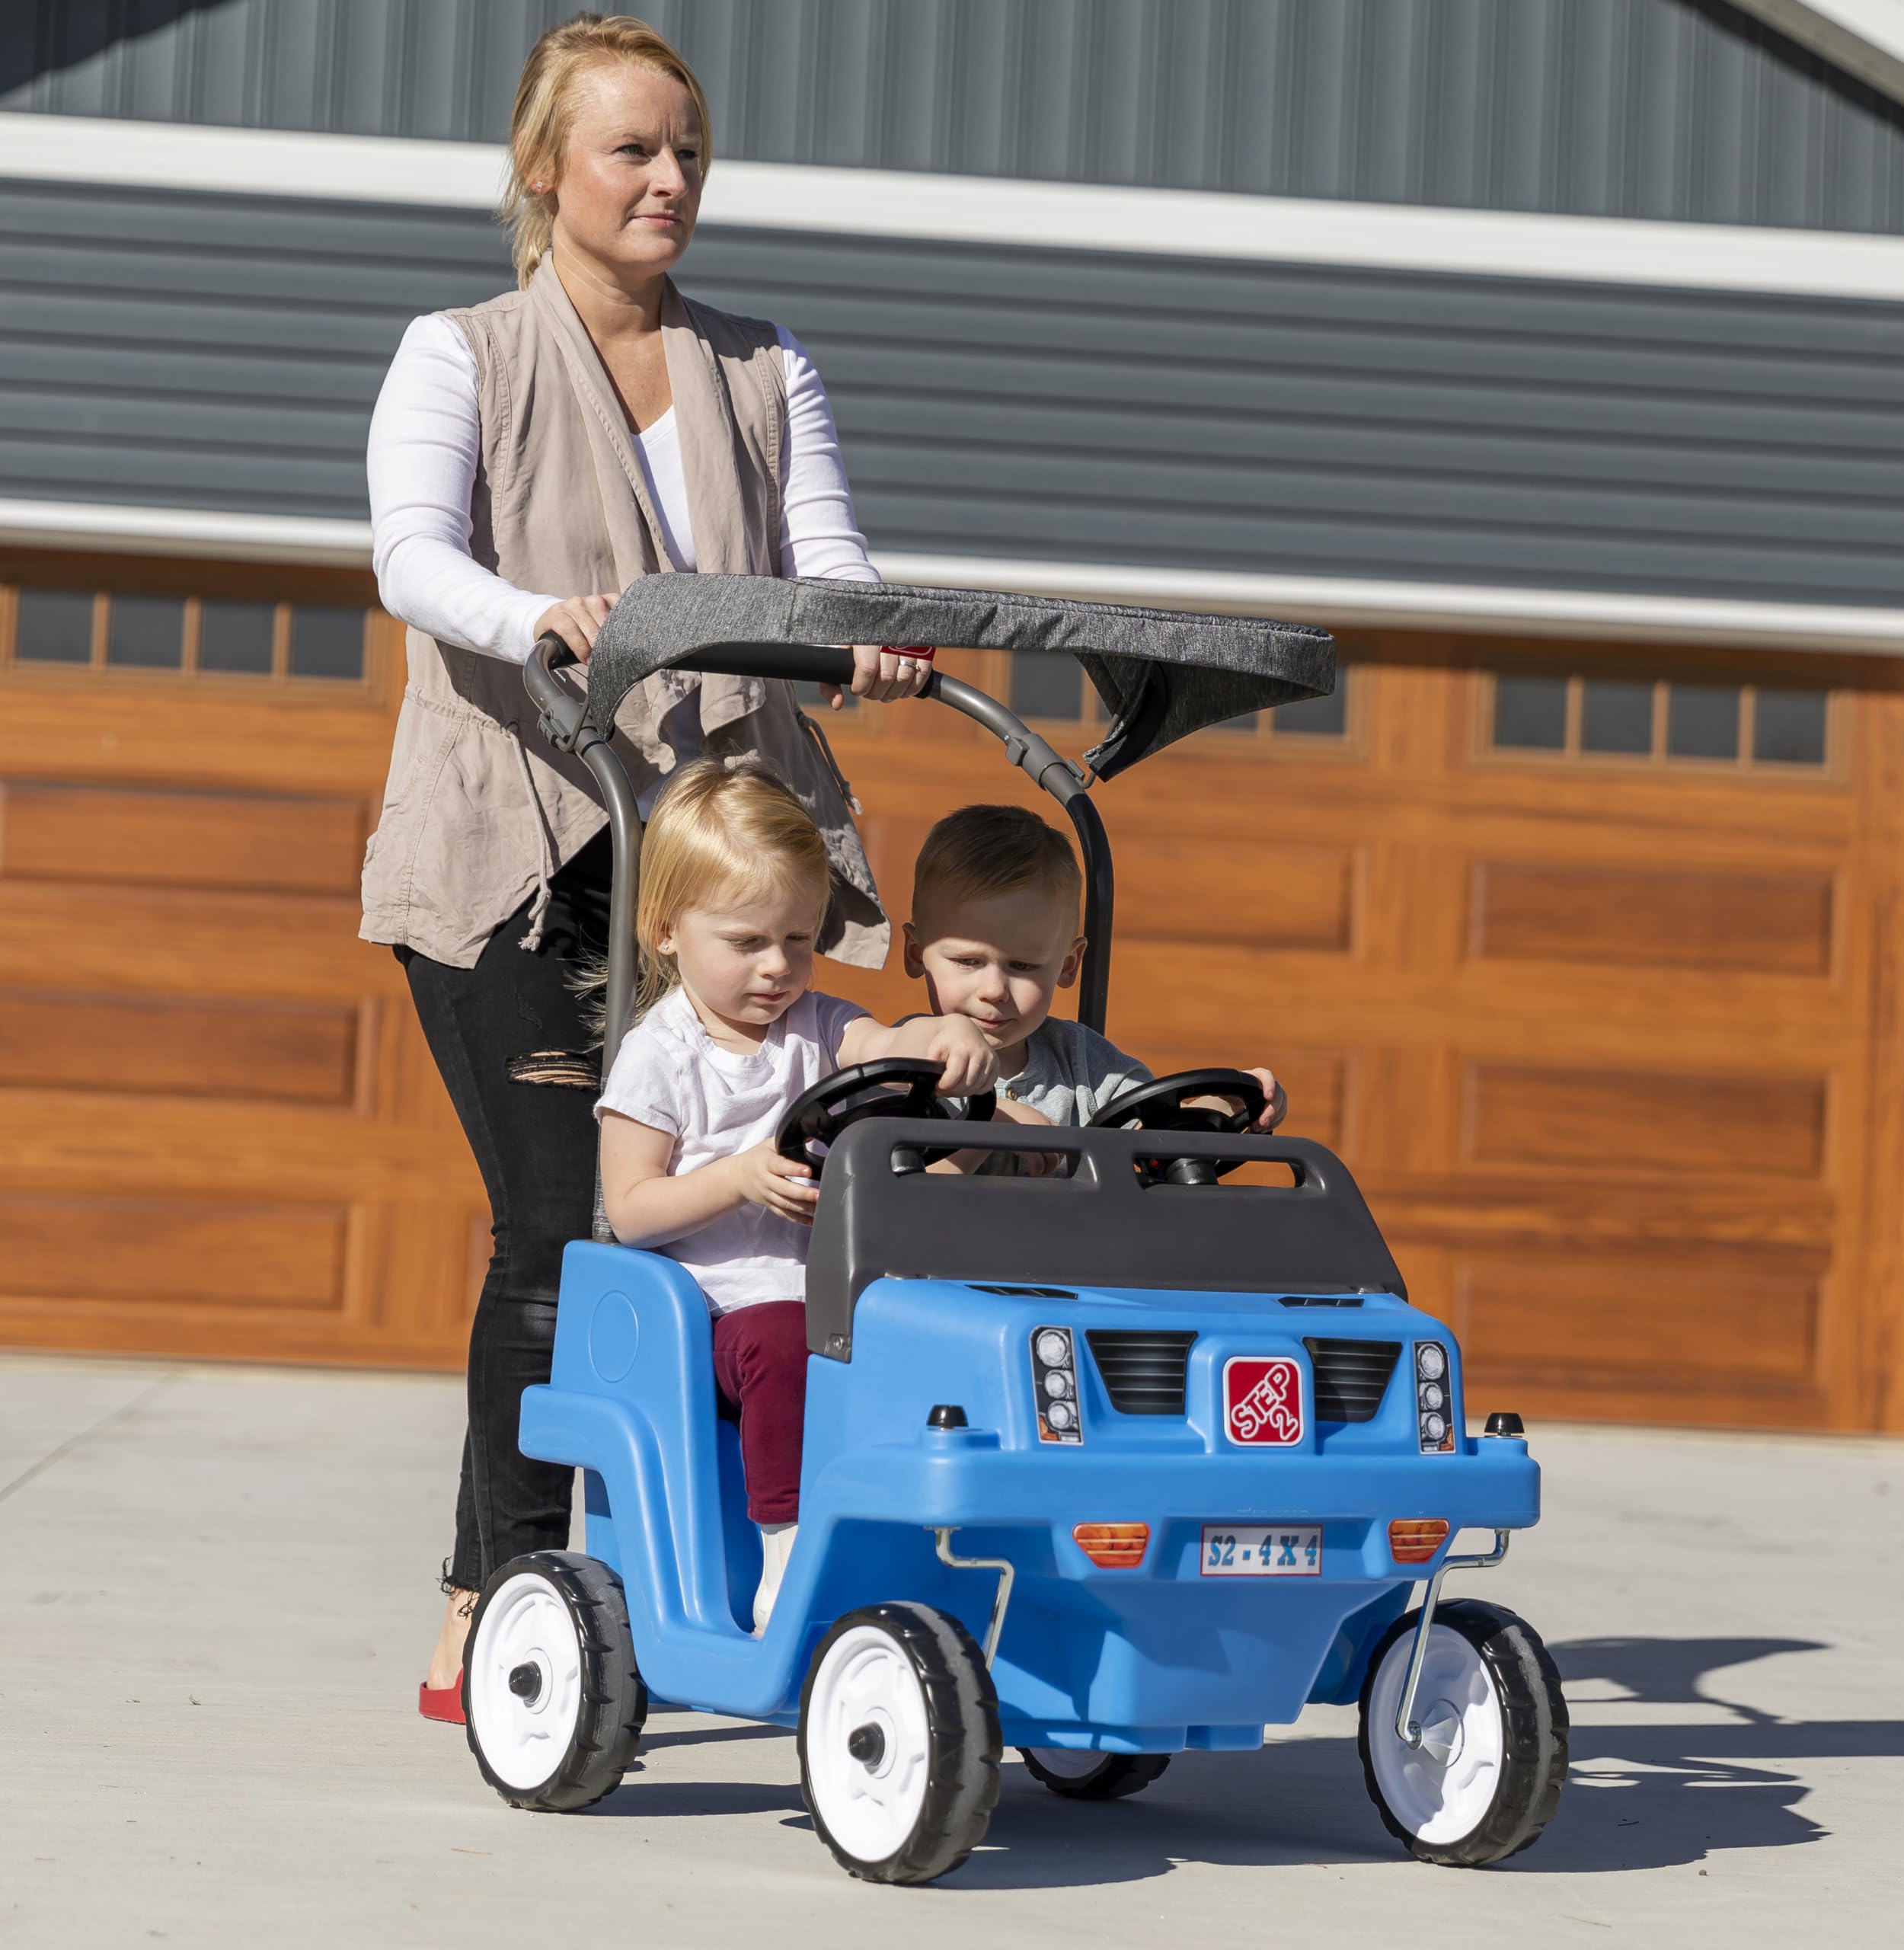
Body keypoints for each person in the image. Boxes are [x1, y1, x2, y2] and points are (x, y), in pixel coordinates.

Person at [360, 13, 933, 1720]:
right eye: (632, 148)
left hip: (715, 865)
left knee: (773, 1236)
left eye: (687, 147)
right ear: (547, 172)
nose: (669, 177)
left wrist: (867, 636)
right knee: (561, 1231)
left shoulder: (764, 366)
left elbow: (820, 556)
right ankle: (498, 1590)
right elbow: (410, 553)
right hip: (515, 855)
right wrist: (533, 611)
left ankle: (732, 1568)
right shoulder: (459, 349)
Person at [596, 762, 1003, 1632]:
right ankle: (785, 1547)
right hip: (710, 1319)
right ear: (666, 931)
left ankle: (954, 1563)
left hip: (838, 1302)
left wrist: (946, 1031)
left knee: (954, 1340)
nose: (779, 967)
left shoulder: (818, 1026)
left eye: (799, 939)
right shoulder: (658, 1053)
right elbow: (629, 1207)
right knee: (784, 1341)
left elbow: (885, 1039)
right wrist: (737, 1178)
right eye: (747, 942)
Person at [903, 804, 1289, 1135]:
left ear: (1068, 966)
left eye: (1022, 965)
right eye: (968, 961)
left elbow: (1151, 1131)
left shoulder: (1084, 1063)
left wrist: (1223, 1104)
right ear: (917, 954)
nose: (994, 989)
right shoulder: (907, 1056)